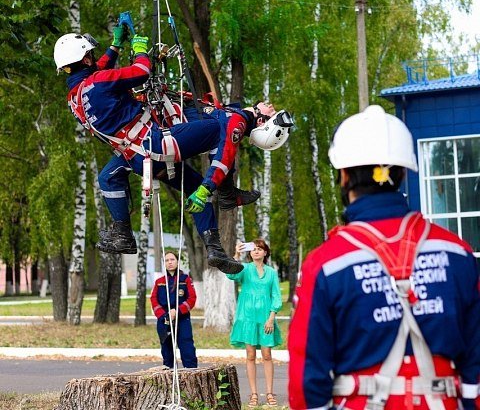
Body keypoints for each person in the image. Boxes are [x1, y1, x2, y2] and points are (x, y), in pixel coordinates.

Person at [53, 27, 293, 274]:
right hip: (157, 143)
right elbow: (141, 72)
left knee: (177, 185)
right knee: (219, 128)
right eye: (91, 55)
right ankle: (226, 193)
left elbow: (99, 73)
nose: (94, 58)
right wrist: (139, 50)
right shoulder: (99, 81)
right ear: (84, 59)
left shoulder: (75, 97)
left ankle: (208, 248)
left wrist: (114, 47)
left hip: (136, 157)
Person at [288, 105, 480, 410]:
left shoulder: (325, 264)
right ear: (402, 173)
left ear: (344, 175)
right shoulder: (457, 252)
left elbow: (306, 379)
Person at [227, 239, 283, 408]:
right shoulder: (245, 268)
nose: (257, 251)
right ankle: (253, 394)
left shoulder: (272, 272)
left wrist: (271, 317)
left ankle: (270, 393)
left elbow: (277, 296)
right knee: (250, 355)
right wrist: (237, 254)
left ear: (265, 253)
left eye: (260, 249)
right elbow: (231, 275)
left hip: (266, 319)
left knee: (267, 355)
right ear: (250, 253)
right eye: (254, 249)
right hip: (247, 318)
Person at [150, 251, 197, 369]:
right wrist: (163, 315)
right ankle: (169, 380)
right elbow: (154, 300)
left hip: (182, 319)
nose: (170, 262)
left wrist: (177, 311)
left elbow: (192, 298)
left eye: (172, 259)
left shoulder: (185, 279)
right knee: (167, 352)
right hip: (164, 320)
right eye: (166, 260)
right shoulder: (159, 281)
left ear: (177, 261)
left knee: (187, 350)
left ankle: (190, 377)